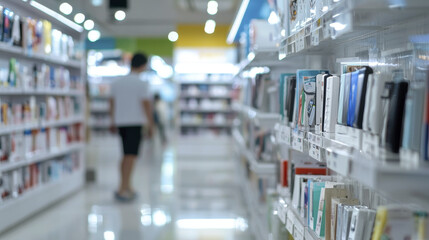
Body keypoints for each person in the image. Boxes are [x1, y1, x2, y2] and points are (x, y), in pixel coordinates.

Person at [109, 52, 154, 202]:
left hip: (121, 122)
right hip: (135, 123)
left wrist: (112, 120)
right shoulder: (142, 84)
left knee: (125, 155)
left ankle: (126, 185)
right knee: (131, 156)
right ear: (143, 65)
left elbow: (112, 103)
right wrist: (151, 124)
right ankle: (123, 187)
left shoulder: (117, 82)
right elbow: (146, 105)